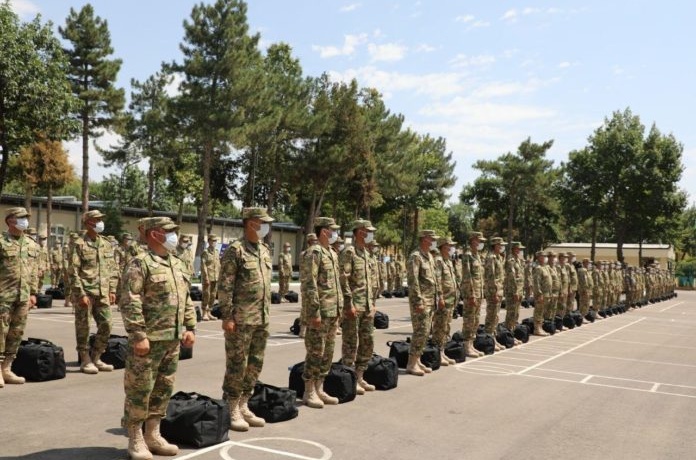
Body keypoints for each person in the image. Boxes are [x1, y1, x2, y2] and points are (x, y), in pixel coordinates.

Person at [119, 216, 196, 460]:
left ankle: (153, 433)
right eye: (169, 231)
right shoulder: (140, 263)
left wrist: (190, 326)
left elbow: (186, 298)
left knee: (163, 389)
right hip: (148, 340)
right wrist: (139, 334)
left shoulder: (177, 263)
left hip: (172, 338)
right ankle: (136, 437)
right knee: (140, 390)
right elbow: (129, 301)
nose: (174, 235)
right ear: (154, 234)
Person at [219, 207, 274, 431]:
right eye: (262, 222)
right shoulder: (236, 250)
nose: (266, 226)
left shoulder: (264, 249)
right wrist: (227, 315)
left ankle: (244, 403)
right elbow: (225, 285)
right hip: (241, 319)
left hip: (261, 318)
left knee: (255, 364)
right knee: (237, 365)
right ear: (251, 223)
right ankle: (231, 406)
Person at [301, 217, 343, 408]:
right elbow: (309, 285)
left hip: (333, 311)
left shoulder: (332, 254)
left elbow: (336, 285)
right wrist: (314, 312)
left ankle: (320, 387)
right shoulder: (314, 253)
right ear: (324, 232)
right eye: (333, 230)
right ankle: (309, 390)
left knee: (328, 352)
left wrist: (340, 308)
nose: (336, 233)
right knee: (315, 352)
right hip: (320, 312)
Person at [70, 210, 118, 374]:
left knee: (107, 324)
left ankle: (97, 356)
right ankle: (85, 359)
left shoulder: (106, 243)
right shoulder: (79, 243)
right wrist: (80, 293)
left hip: (103, 292)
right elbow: (73, 271)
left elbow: (112, 268)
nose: (99, 223)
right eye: (96, 220)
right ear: (87, 222)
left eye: (100, 219)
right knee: (83, 326)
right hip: (86, 291)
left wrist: (112, 289)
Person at [0, 207, 38, 388]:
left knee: (16, 333)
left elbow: (34, 271)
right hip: (3, 295)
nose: (25, 221)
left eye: (26, 218)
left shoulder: (31, 244)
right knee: (1, 332)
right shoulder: (1, 241)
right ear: (10, 221)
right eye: (21, 218)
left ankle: (7, 368)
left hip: (23, 296)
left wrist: (33, 293)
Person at [340, 219, 377, 395]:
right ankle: (349, 379)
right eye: (367, 231)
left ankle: (360, 376)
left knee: (367, 342)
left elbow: (370, 283)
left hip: (367, 306)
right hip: (354, 306)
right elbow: (344, 279)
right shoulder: (349, 252)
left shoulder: (367, 254)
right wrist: (349, 304)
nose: (370, 234)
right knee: (350, 343)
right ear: (359, 232)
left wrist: (373, 303)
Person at [407, 229, 443, 375]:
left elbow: (435, 279)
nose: (433, 241)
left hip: (431, 300)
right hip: (421, 301)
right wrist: (418, 301)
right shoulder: (416, 256)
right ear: (424, 239)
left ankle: (418, 360)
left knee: (426, 332)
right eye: (431, 238)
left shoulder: (429, 256)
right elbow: (413, 280)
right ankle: (411, 363)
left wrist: (439, 296)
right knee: (420, 331)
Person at [431, 237, 458, 366]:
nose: (451, 248)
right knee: (439, 328)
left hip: (451, 299)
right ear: (442, 247)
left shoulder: (447, 261)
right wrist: (440, 297)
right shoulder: (439, 261)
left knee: (446, 327)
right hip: (444, 299)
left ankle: (442, 352)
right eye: (449, 246)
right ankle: (437, 353)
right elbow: (437, 281)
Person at [461, 231, 486, 358]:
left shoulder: (478, 256)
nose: (481, 243)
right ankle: (466, 345)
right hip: (471, 294)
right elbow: (467, 277)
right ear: (473, 241)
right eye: (479, 240)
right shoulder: (468, 255)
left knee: (475, 320)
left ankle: (471, 344)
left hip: (478, 293)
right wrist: (471, 294)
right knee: (469, 320)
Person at [484, 237, 506, 351]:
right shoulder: (491, 258)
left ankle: (493, 338)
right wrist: (494, 293)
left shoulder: (498, 257)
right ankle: (489, 339)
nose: (501, 247)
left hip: (498, 290)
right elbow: (491, 277)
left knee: (495, 316)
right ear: (494, 246)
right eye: (499, 245)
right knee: (491, 316)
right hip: (493, 291)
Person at [503, 242, 525, 344]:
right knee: (511, 314)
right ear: (513, 249)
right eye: (517, 249)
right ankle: (508, 335)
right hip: (513, 292)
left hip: (519, 291)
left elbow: (521, 277)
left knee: (516, 314)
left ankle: (512, 334)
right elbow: (511, 278)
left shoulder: (519, 260)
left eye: (519, 249)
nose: (519, 250)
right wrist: (515, 292)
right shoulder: (510, 260)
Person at [298, 233, 318, 338]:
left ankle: (307, 328)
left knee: (309, 307)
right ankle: (303, 329)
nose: (315, 242)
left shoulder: (304, 254)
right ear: (309, 242)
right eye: (313, 240)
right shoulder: (307, 254)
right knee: (306, 307)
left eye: (316, 240)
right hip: (307, 284)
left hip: (308, 283)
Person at [200, 234, 220, 321]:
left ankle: (209, 312)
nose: (214, 242)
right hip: (208, 277)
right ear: (209, 241)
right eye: (212, 241)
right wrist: (206, 277)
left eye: (215, 241)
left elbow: (218, 264)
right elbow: (203, 266)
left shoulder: (216, 251)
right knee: (206, 295)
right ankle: (204, 312)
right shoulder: (205, 252)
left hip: (215, 277)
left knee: (213, 295)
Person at [532, 251, 552, 336]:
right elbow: (536, 282)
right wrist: (539, 294)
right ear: (539, 257)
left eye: (545, 256)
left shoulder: (545, 267)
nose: (545, 258)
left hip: (547, 293)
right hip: (541, 294)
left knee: (542, 311)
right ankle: (537, 328)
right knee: (539, 311)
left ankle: (540, 327)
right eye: (543, 256)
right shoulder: (538, 268)